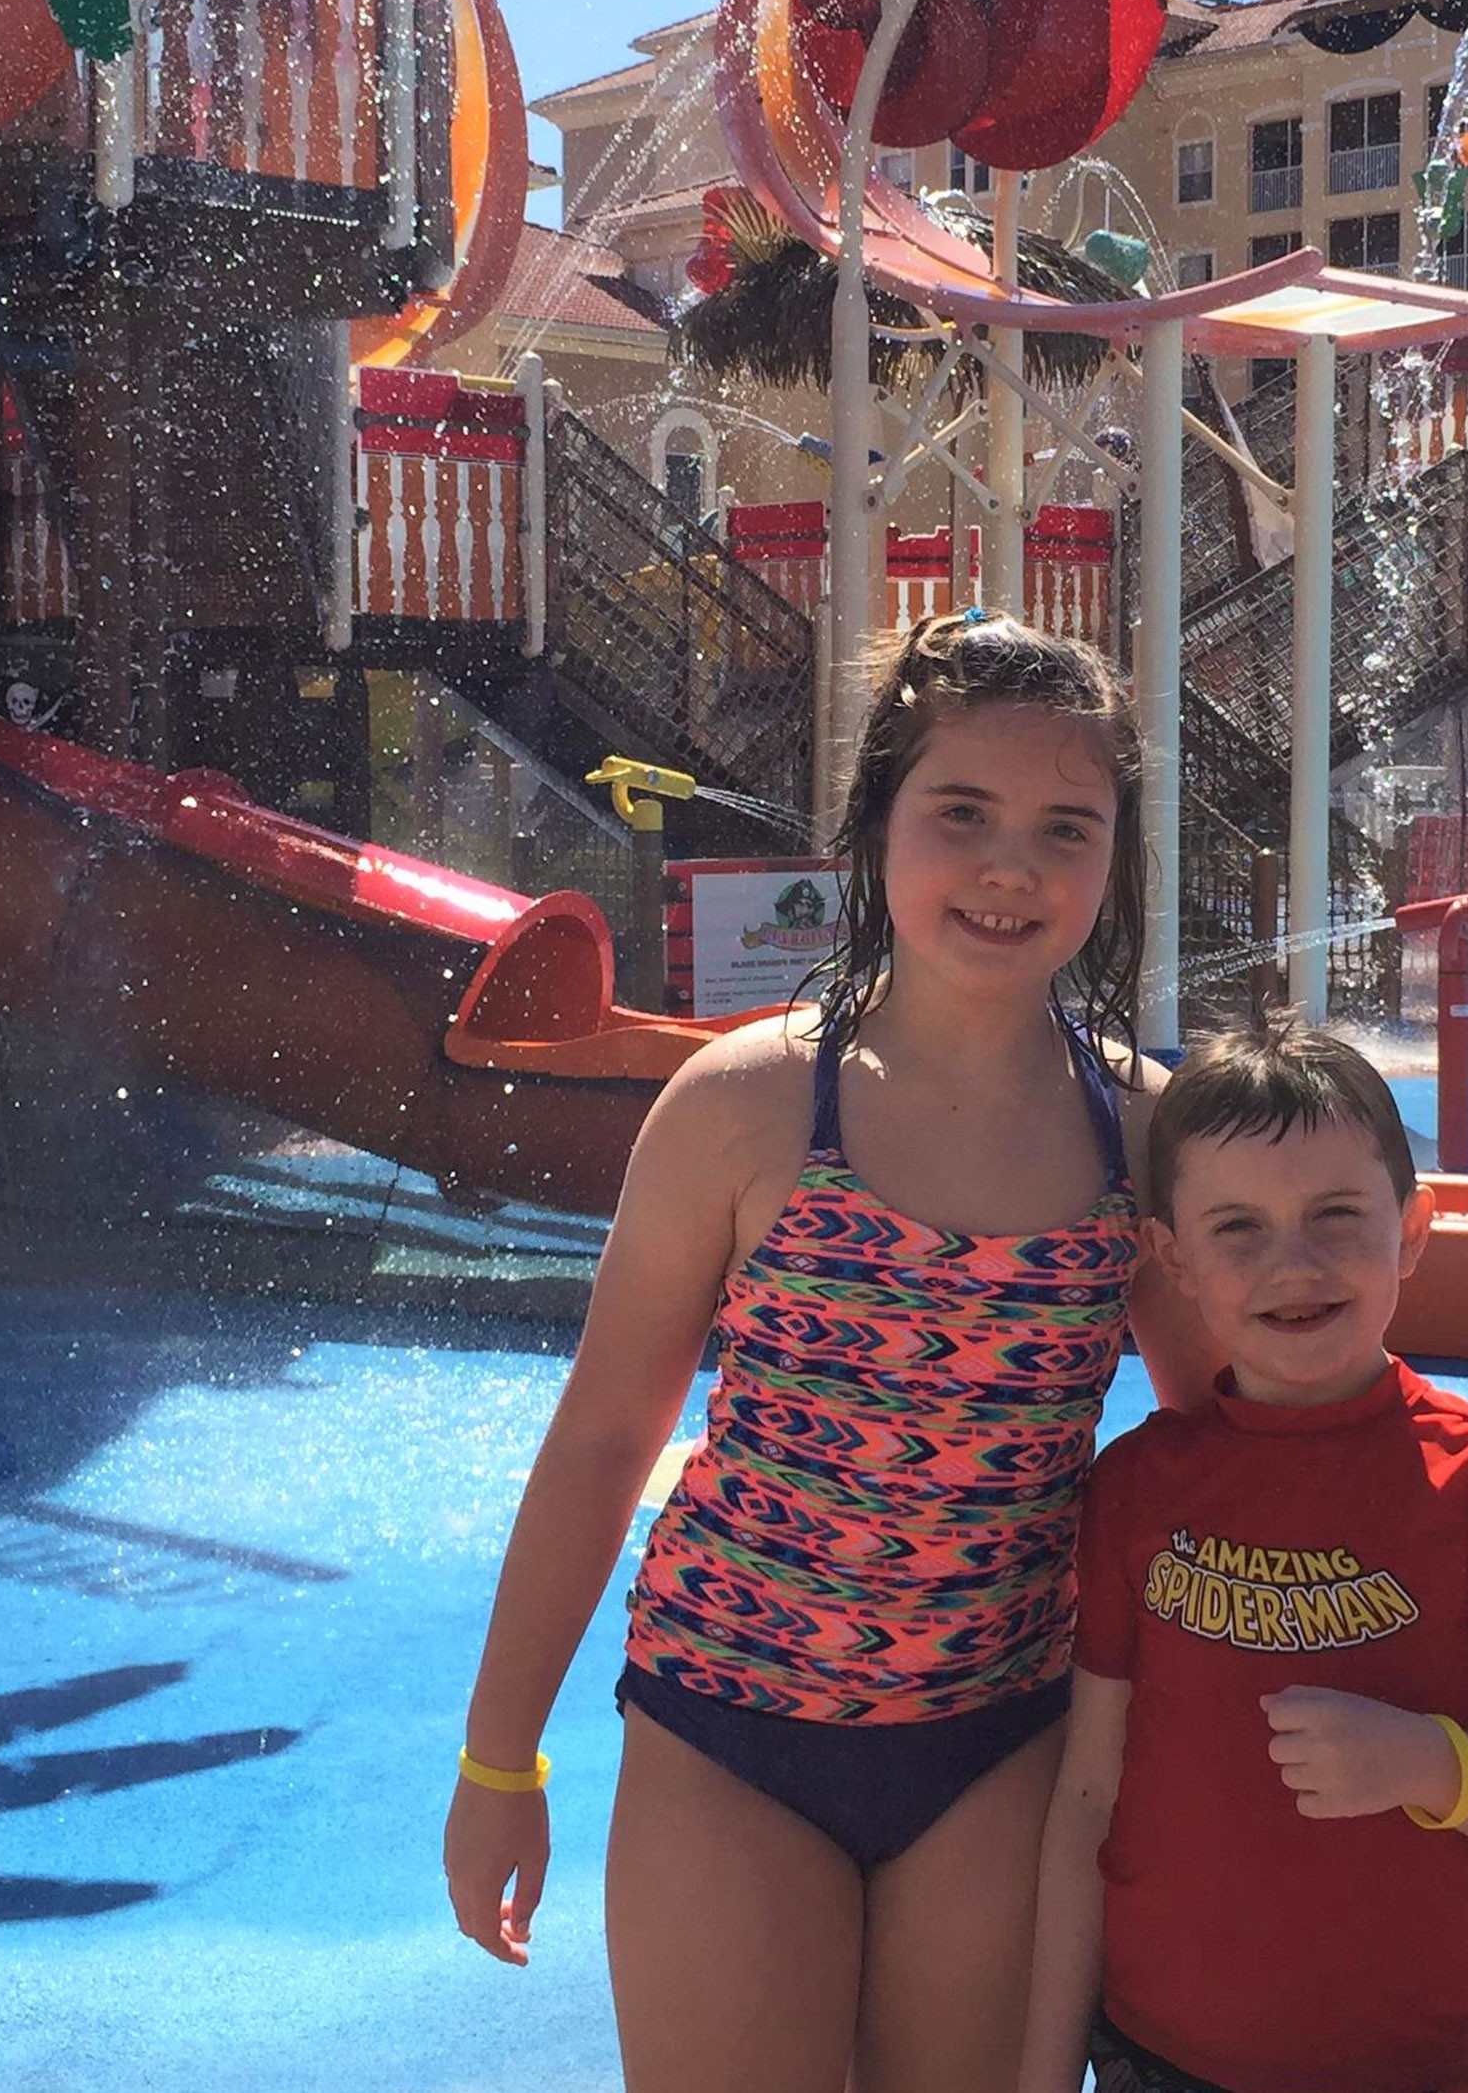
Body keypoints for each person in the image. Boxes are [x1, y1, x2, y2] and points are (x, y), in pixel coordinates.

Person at [442, 612, 1193, 2093]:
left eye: (1066, 827)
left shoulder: (1146, 1136)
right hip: (730, 1730)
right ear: (873, 828)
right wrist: (497, 1759)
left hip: (998, 1741)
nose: (1009, 866)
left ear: (1115, 861)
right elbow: (602, 1440)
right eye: (959, 813)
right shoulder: (750, 1107)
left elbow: (1233, 1455)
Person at [1020, 1016, 1468, 2093]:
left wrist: (1433, 1766)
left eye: (1336, 1215)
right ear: (1173, 1261)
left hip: (1410, 2068)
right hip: (1159, 2063)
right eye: (1236, 1227)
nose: (1291, 1264)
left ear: (1413, 1230)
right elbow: (1086, 1800)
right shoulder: (1136, 1487)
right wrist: (1042, 2071)